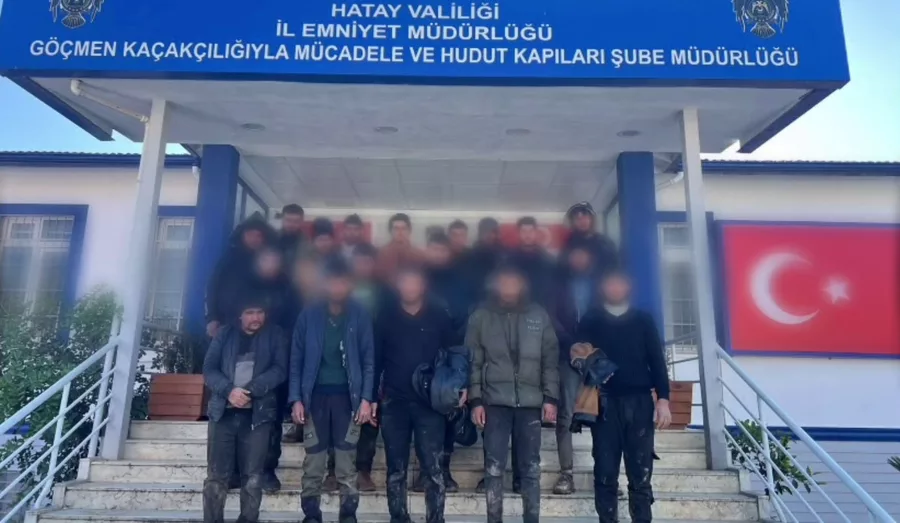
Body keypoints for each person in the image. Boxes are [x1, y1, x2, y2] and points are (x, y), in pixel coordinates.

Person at [575, 270, 671, 523]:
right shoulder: (591, 319)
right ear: (603, 287)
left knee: (640, 473)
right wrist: (589, 366)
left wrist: (663, 399)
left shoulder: (643, 320)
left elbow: (657, 361)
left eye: (620, 283)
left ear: (628, 287)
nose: (615, 288)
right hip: (604, 403)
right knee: (605, 472)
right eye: (610, 283)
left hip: (639, 403)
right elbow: (576, 355)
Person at [467, 265, 559, 523]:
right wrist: (476, 400)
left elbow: (550, 360)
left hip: (530, 402)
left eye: (513, 282)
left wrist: (550, 398)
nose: (508, 287)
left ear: (522, 285)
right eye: (503, 282)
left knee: (530, 469)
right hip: (494, 402)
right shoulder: (481, 317)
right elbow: (473, 362)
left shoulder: (538, 315)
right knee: (494, 468)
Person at [290, 259, 376, 523]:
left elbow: (369, 360)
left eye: (342, 282)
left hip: (348, 400)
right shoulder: (309, 315)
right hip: (314, 398)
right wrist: (295, 399)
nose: (337, 287)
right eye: (333, 282)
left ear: (349, 285)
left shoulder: (359, 315)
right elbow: (296, 359)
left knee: (347, 464)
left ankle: (348, 516)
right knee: (314, 463)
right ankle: (311, 515)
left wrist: (366, 398)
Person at [376, 265, 457, 523]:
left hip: (429, 404)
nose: (410, 288)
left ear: (423, 286)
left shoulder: (438, 316)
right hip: (394, 403)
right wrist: (371, 398)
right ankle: (398, 517)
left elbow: (454, 355)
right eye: (405, 282)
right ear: (398, 287)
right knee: (395, 469)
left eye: (415, 282)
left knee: (433, 469)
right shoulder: (386, 317)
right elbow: (374, 361)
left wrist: (457, 387)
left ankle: (436, 519)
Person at [202, 295, 288, 523]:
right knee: (216, 477)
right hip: (223, 413)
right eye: (250, 313)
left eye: (260, 312)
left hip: (257, 416)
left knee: (253, 477)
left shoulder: (275, 334)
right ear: (240, 315)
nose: (256, 317)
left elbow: (280, 369)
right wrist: (229, 391)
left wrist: (250, 391)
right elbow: (209, 369)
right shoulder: (224, 334)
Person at [418, 232, 467, 493]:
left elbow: (464, 320)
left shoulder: (459, 282)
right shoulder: (418, 279)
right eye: (433, 249)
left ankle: (444, 470)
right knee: (422, 418)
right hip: (420, 358)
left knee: (448, 415)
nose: (437, 254)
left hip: (450, 357)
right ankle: (424, 472)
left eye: (441, 250)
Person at [548, 240, 595, 495]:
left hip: (596, 357)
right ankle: (566, 473)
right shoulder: (557, 286)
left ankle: (605, 472)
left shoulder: (598, 286)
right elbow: (551, 318)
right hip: (566, 355)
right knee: (565, 415)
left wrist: (592, 347)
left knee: (601, 415)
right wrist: (571, 344)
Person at [350, 242, 391, 492]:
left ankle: (363, 469)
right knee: (339, 413)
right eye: (359, 260)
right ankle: (334, 469)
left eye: (367, 261)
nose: (363, 266)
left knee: (371, 412)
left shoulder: (384, 291)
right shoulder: (341, 289)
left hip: (374, 357)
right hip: (343, 356)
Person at [206, 214, 276, 339]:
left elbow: (277, 293)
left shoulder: (269, 261)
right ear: (242, 235)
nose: (254, 239)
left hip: (260, 328)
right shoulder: (229, 258)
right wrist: (212, 318)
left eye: (258, 235)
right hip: (227, 323)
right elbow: (213, 286)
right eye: (250, 234)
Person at [507, 216, 555, 308]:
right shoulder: (509, 261)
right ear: (518, 233)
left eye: (531, 231)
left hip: (542, 308)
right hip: (515, 309)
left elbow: (553, 291)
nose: (527, 235)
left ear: (536, 233)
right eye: (523, 231)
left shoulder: (548, 261)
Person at [560, 202, 618, 278]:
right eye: (577, 218)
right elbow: (562, 271)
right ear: (572, 222)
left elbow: (614, 268)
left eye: (584, 216)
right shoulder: (568, 244)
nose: (581, 221)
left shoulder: (604, 242)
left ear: (592, 219)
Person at [465, 217, 504, 303]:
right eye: (485, 232)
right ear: (480, 233)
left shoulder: (504, 254)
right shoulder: (470, 255)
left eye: (493, 232)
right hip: (477, 298)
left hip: (500, 298)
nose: (489, 235)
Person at [377, 213, 423, 280]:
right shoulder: (382, 253)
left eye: (403, 228)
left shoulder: (418, 255)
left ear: (409, 231)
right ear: (390, 231)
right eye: (396, 229)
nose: (400, 232)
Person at [279, 204, 306, 270]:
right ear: (282, 219)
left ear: (301, 222)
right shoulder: (270, 239)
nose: (291, 224)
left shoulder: (307, 245)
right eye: (288, 220)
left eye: (296, 221)